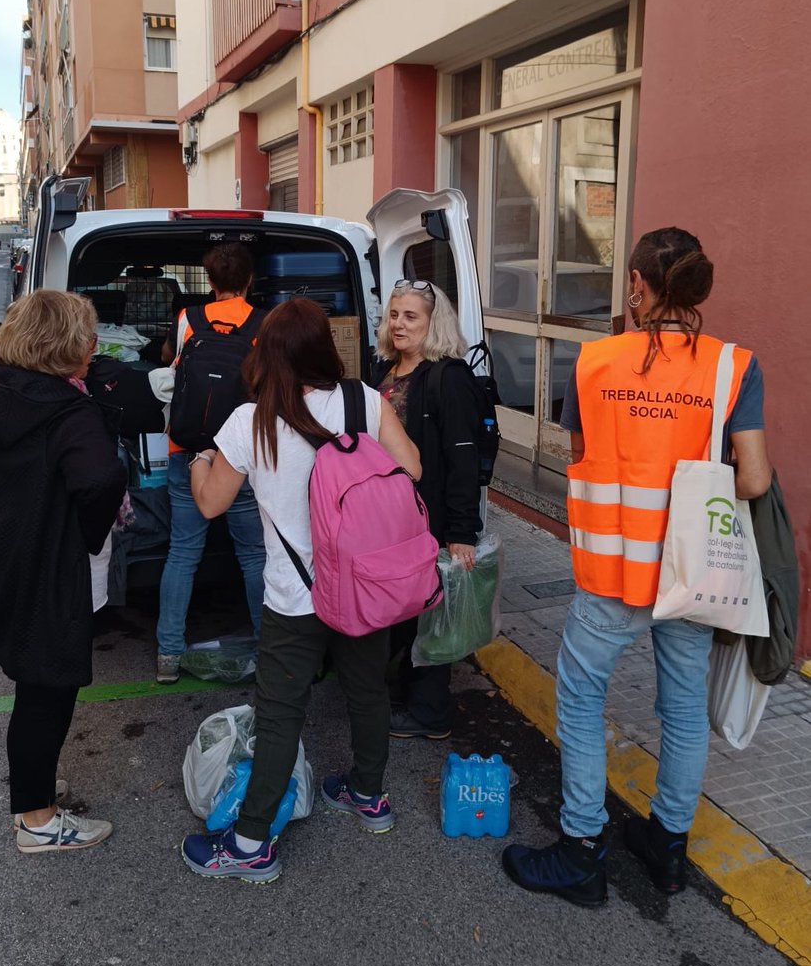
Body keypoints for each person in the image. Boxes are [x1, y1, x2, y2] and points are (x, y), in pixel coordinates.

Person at [502, 227, 771, 906]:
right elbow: (754, 479)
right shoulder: (733, 368)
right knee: (682, 708)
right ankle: (667, 848)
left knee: (580, 697)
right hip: (691, 577)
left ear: (636, 285)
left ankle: (582, 850)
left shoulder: (594, 363)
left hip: (614, 574)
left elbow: (579, 455)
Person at [181, 298, 421, 883]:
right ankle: (368, 795)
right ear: (324, 348)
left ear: (266, 354)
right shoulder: (365, 400)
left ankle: (250, 842)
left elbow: (210, 503)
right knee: (367, 692)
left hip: (294, 597)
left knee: (281, 712)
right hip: (362, 590)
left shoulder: (250, 421)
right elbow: (412, 468)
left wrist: (201, 458)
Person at [0, 289, 128, 853]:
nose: (94, 346)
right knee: (48, 689)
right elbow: (101, 480)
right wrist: (87, 536)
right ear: (65, 345)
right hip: (48, 568)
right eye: (88, 337)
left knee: (31, 682)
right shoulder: (70, 413)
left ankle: (35, 785)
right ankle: (38, 821)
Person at [370, 279, 482, 740]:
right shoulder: (387, 370)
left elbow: (463, 458)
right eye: (394, 314)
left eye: (411, 316)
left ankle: (430, 713)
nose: (398, 324)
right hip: (393, 520)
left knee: (431, 616)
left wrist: (461, 532)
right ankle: (405, 693)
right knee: (407, 611)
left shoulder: (448, 376)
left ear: (434, 323)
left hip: (430, 520)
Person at [155, 243, 266, 684]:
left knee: (182, 553)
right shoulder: (262, 323)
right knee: (253, 555)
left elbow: (167, 360)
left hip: (187, 449)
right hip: (241, 453)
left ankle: (168, 655)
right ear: (249, 281)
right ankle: (268, 648)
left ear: (211, 281)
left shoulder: (188, 318)